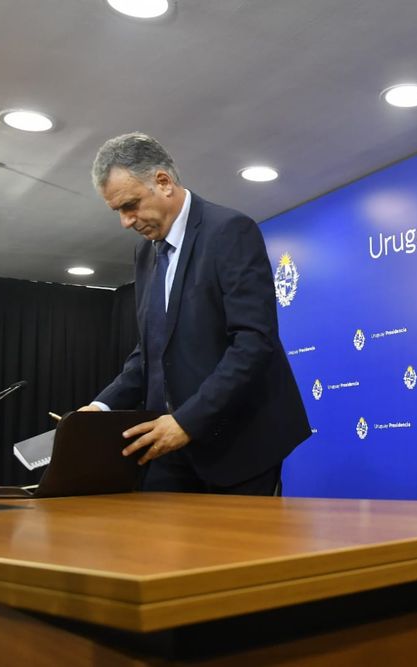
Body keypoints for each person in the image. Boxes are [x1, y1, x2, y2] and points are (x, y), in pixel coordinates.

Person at [81, 132, 309, 495]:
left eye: (131, 205)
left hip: (238, 444)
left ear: (163, 182)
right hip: (169, 443)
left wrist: (187, 421)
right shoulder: (145, 255)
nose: (126, 222)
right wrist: (100, 407)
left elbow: (254, 342)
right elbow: (150, 351)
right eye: (118, 211)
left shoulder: (230, 232)